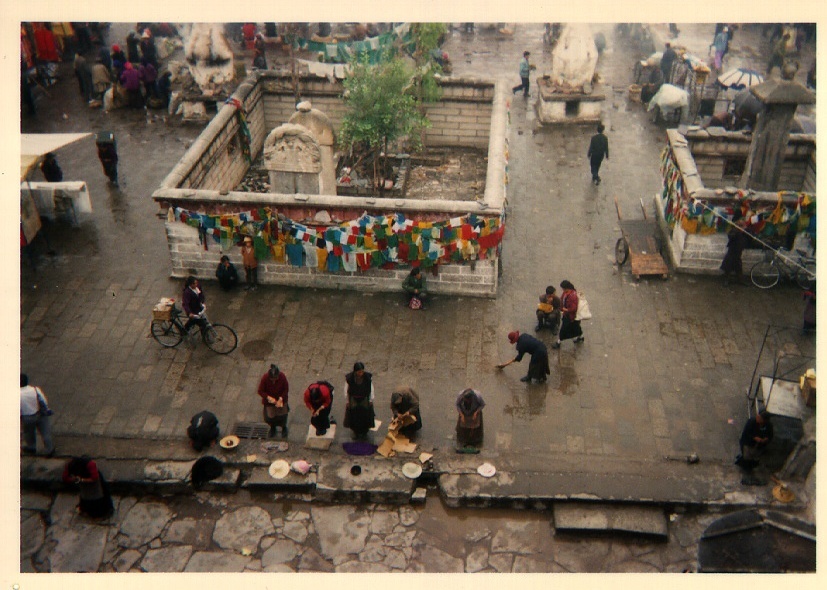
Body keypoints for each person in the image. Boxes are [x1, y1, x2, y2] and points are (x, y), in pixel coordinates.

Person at [20, 373, 55, 457]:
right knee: (45, 433)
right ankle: (49, 450)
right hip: (40, 414)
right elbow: (43, 400)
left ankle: (31, 447)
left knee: (28, 433)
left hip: (27, 417)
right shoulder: (35, 389)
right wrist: (46, 410)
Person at [344, 362, 376, 439]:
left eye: (362, 371)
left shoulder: (368, 377)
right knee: (354, 415)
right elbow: (346, 390)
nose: (361, 373)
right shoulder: (349, 378)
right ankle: (356, 431)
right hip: (353, 399)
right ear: (355, 372)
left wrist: (371, 399)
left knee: (365, 415)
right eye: (359, 372)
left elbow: (371, 389)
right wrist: (348, 401)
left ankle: (364, 431)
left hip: (364, 399)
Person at [258, 364, 289, 438]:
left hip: (281, 401)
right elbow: (260, 391)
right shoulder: (265, 378)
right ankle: (273, 428)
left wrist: (281, 398)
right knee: (270, 417)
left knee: (283, 415)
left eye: (276, 378)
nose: (274, 380)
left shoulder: (282, 377)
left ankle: (284, 428)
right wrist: (268, 397)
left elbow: (286, 389)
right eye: (273, 379)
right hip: (270, 402)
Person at [551, 280, 583, 348]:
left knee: (563, 329)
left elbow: (573, 308)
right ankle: (580, 336)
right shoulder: (566, 293)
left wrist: (566, 309)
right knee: (576, 327)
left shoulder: (572, 296)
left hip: (570, 316)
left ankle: (558, 342)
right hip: (569, 315)